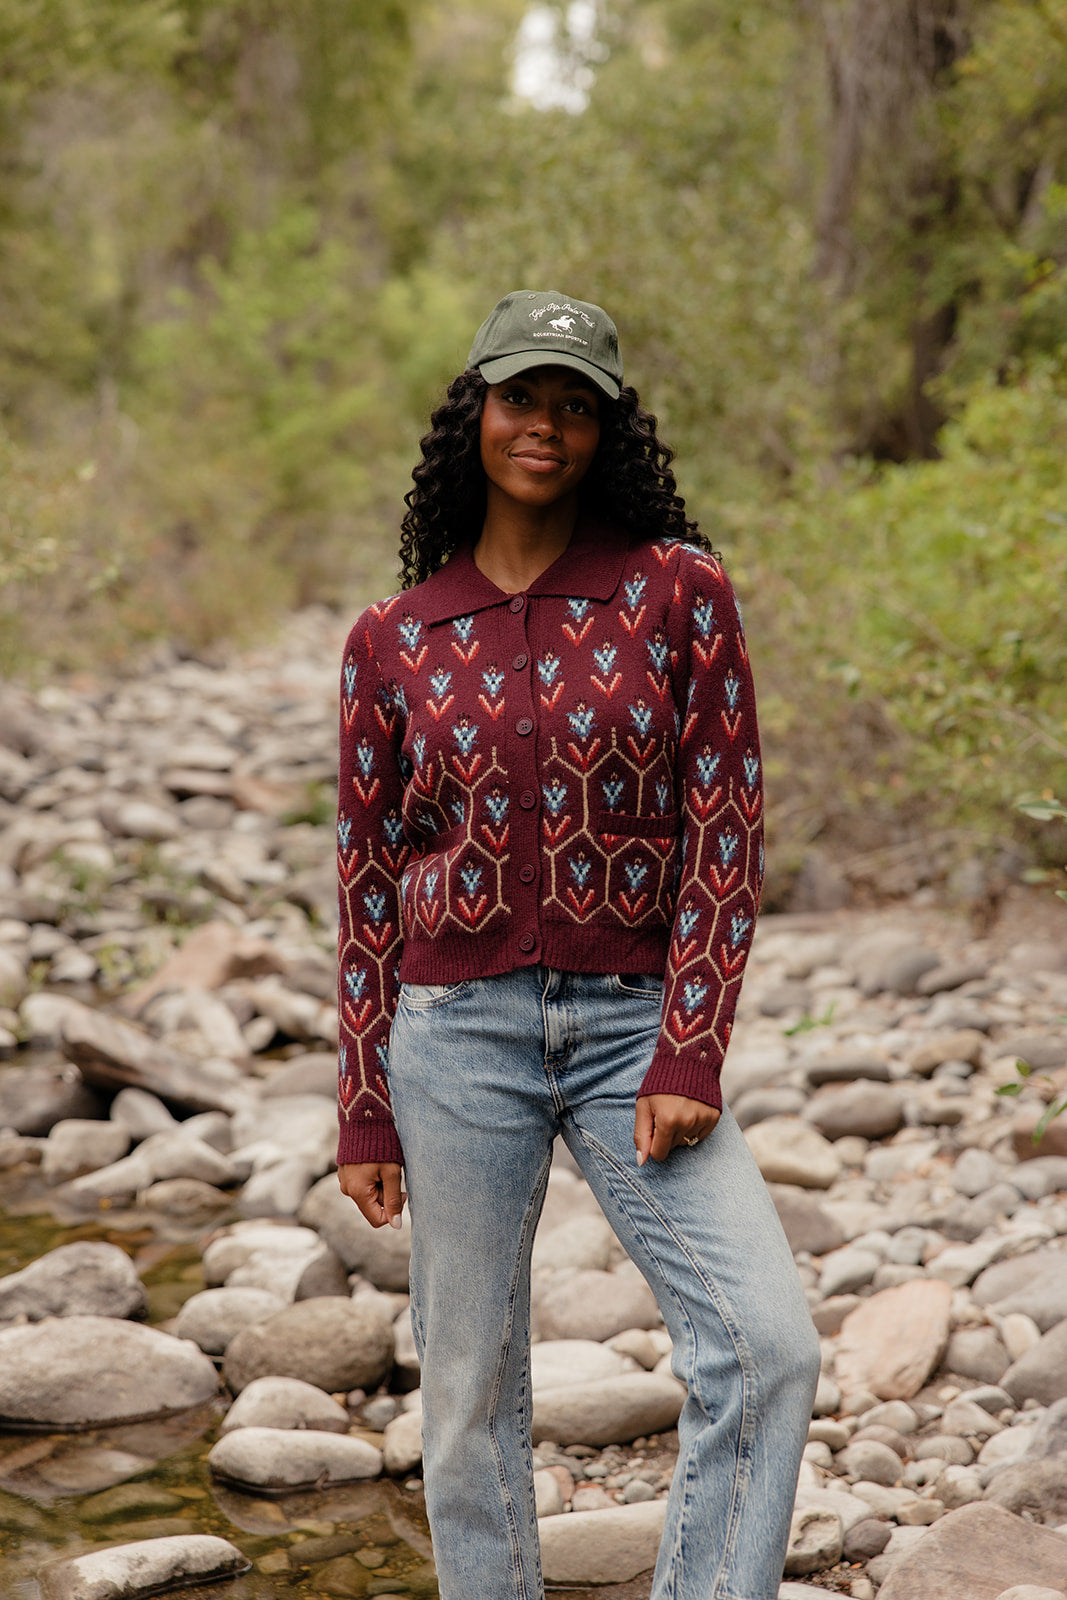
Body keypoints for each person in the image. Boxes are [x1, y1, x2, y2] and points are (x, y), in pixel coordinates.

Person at [336, 289, 820, 1600]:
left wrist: (690, 1048)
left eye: (574, 404)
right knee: (466, 1400)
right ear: (474, 415)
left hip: (631, 1032)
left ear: (610, 432)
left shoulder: (679, 593)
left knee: (765, 1350)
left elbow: (726, 830)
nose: (543, 425)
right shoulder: (394, 639)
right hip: (452, 1040)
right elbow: (368, 885)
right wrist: (366, 1106)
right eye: (519, 397)